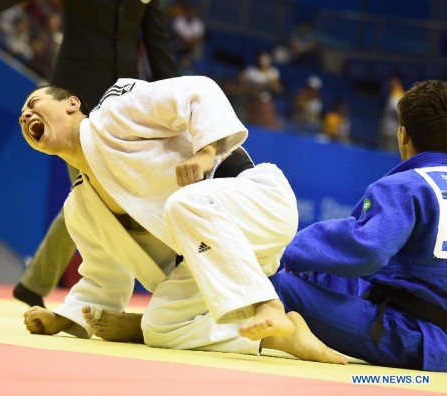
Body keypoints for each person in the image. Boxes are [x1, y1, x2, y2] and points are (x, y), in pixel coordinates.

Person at [18, 75, 347, 365]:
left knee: (182, 203)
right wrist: (64, 319)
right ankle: (279, 335)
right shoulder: (81, 206)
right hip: (215, 254)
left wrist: (205, 152)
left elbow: (199, 91)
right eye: (22, 117)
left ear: (72, 104)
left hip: (257, 202)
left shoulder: (115, 112)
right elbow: (102, 277)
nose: (26, 115)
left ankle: (267, 305)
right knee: (160, 327)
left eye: (34, 103)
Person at [0, 0, 179, 307]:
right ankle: (46, 285)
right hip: (73, 98)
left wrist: (174, 102)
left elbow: (157, 43)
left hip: (122, 103)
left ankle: (35, 282)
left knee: (93, 195)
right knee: (91, 194)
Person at [271, 80, 447, 372]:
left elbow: (367, 250)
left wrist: (288, 248)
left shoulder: (405, 186)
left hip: (412, 338)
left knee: (282, 287)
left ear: (403, 136)